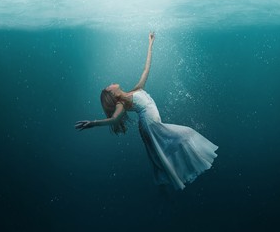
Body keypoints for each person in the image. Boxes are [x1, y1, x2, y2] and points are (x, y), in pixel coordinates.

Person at [75, 32, 218, 190]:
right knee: (181, 137)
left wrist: (150, 44)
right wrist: (93, 123)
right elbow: (114, 119)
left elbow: (146, 68)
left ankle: (171, 176)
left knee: (169, 147)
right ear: (113, 94)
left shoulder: (136, 90)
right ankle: (171, 177)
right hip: (150, 127)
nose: (110, 83)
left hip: (154, 125)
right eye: (108, 87)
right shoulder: (122, 103)